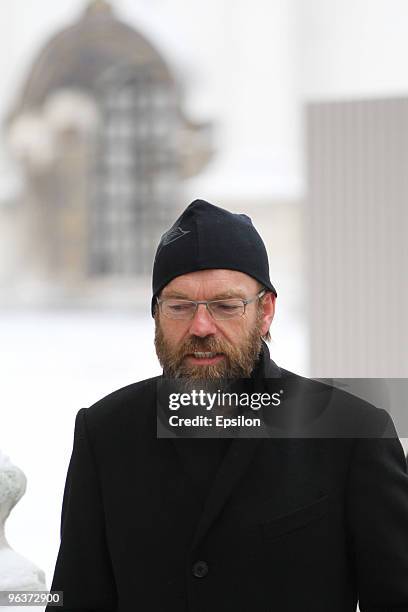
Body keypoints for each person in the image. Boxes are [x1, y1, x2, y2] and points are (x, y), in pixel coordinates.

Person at [47, 200, 408, 612]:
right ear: (156, 314)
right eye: (180, 306)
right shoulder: (105, 431)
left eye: (225, 306)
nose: (201, 327)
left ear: (265, 310)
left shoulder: (353, 430)